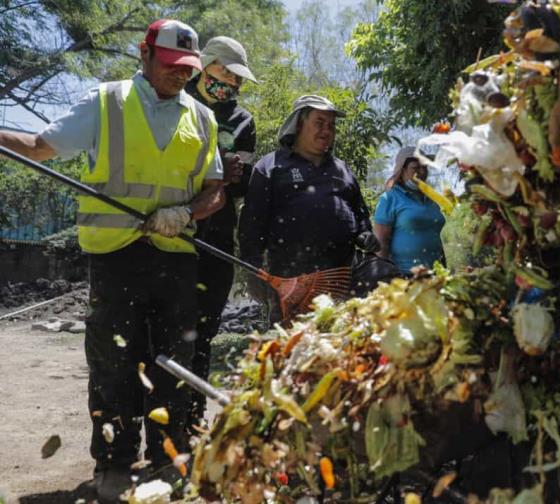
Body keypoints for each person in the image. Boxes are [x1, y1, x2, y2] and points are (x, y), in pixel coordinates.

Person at [0, 19, 224, 502]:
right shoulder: (106, 103)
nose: (179, 76)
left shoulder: (202, 119)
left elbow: (215, 191)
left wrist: (186, 211)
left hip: (176, 258)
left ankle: (167, 456)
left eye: (186, 68)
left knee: (174, 363)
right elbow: (40, 148)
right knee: (113, 362)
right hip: (114, 256)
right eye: (169, 66)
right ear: (145, 56)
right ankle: (115, 461)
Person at [238, 95, 377, 320]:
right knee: (289, 347)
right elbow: (252, 225)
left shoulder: (342, 170)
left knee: (338, 346)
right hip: (289, 282)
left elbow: (360, 213)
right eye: (319, 123)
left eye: (331, 125)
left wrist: (365, 233)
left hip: (340, 280)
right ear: (299, 124)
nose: (327, 131)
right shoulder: (271, 166)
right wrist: (253, 270)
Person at [184, 36, 257, 433]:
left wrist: (231, 178)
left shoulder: (243, 121)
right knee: (164, 330)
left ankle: (192, 421)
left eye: (236, 78)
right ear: (205, 65)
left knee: (202, 335)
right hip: (171, 233)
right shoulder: (174, 102)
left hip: (216, 238)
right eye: (224, 73)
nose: (229, 83)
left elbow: (241, 186)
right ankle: (158, 422)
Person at [374, 146, 446, 274]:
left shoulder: (431, 200)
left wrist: (444, 270)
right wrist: (382, 275)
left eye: (424, 167)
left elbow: (435, 238)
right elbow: (381, 243)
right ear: (402, 171)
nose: (421, 172)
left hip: (435, 274)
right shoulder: (390, 198)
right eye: (415, 168)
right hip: (403, 275)